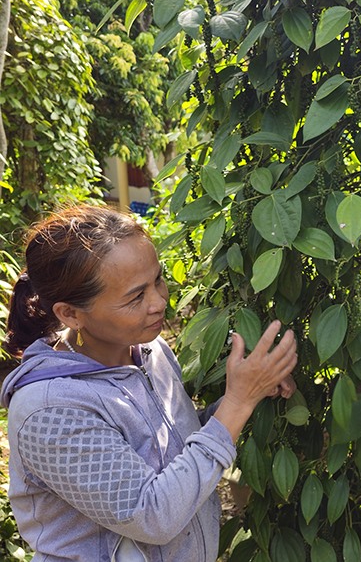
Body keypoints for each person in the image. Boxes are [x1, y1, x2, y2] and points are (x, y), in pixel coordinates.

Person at [1, 205, 298, 561]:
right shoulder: (49, 409)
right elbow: (152, 514)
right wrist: (238, 404)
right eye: (135, 296)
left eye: (157, 279)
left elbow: (174, 449)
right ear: (71, 314)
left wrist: (249, 391)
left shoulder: (147, 349)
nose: (159, 301)